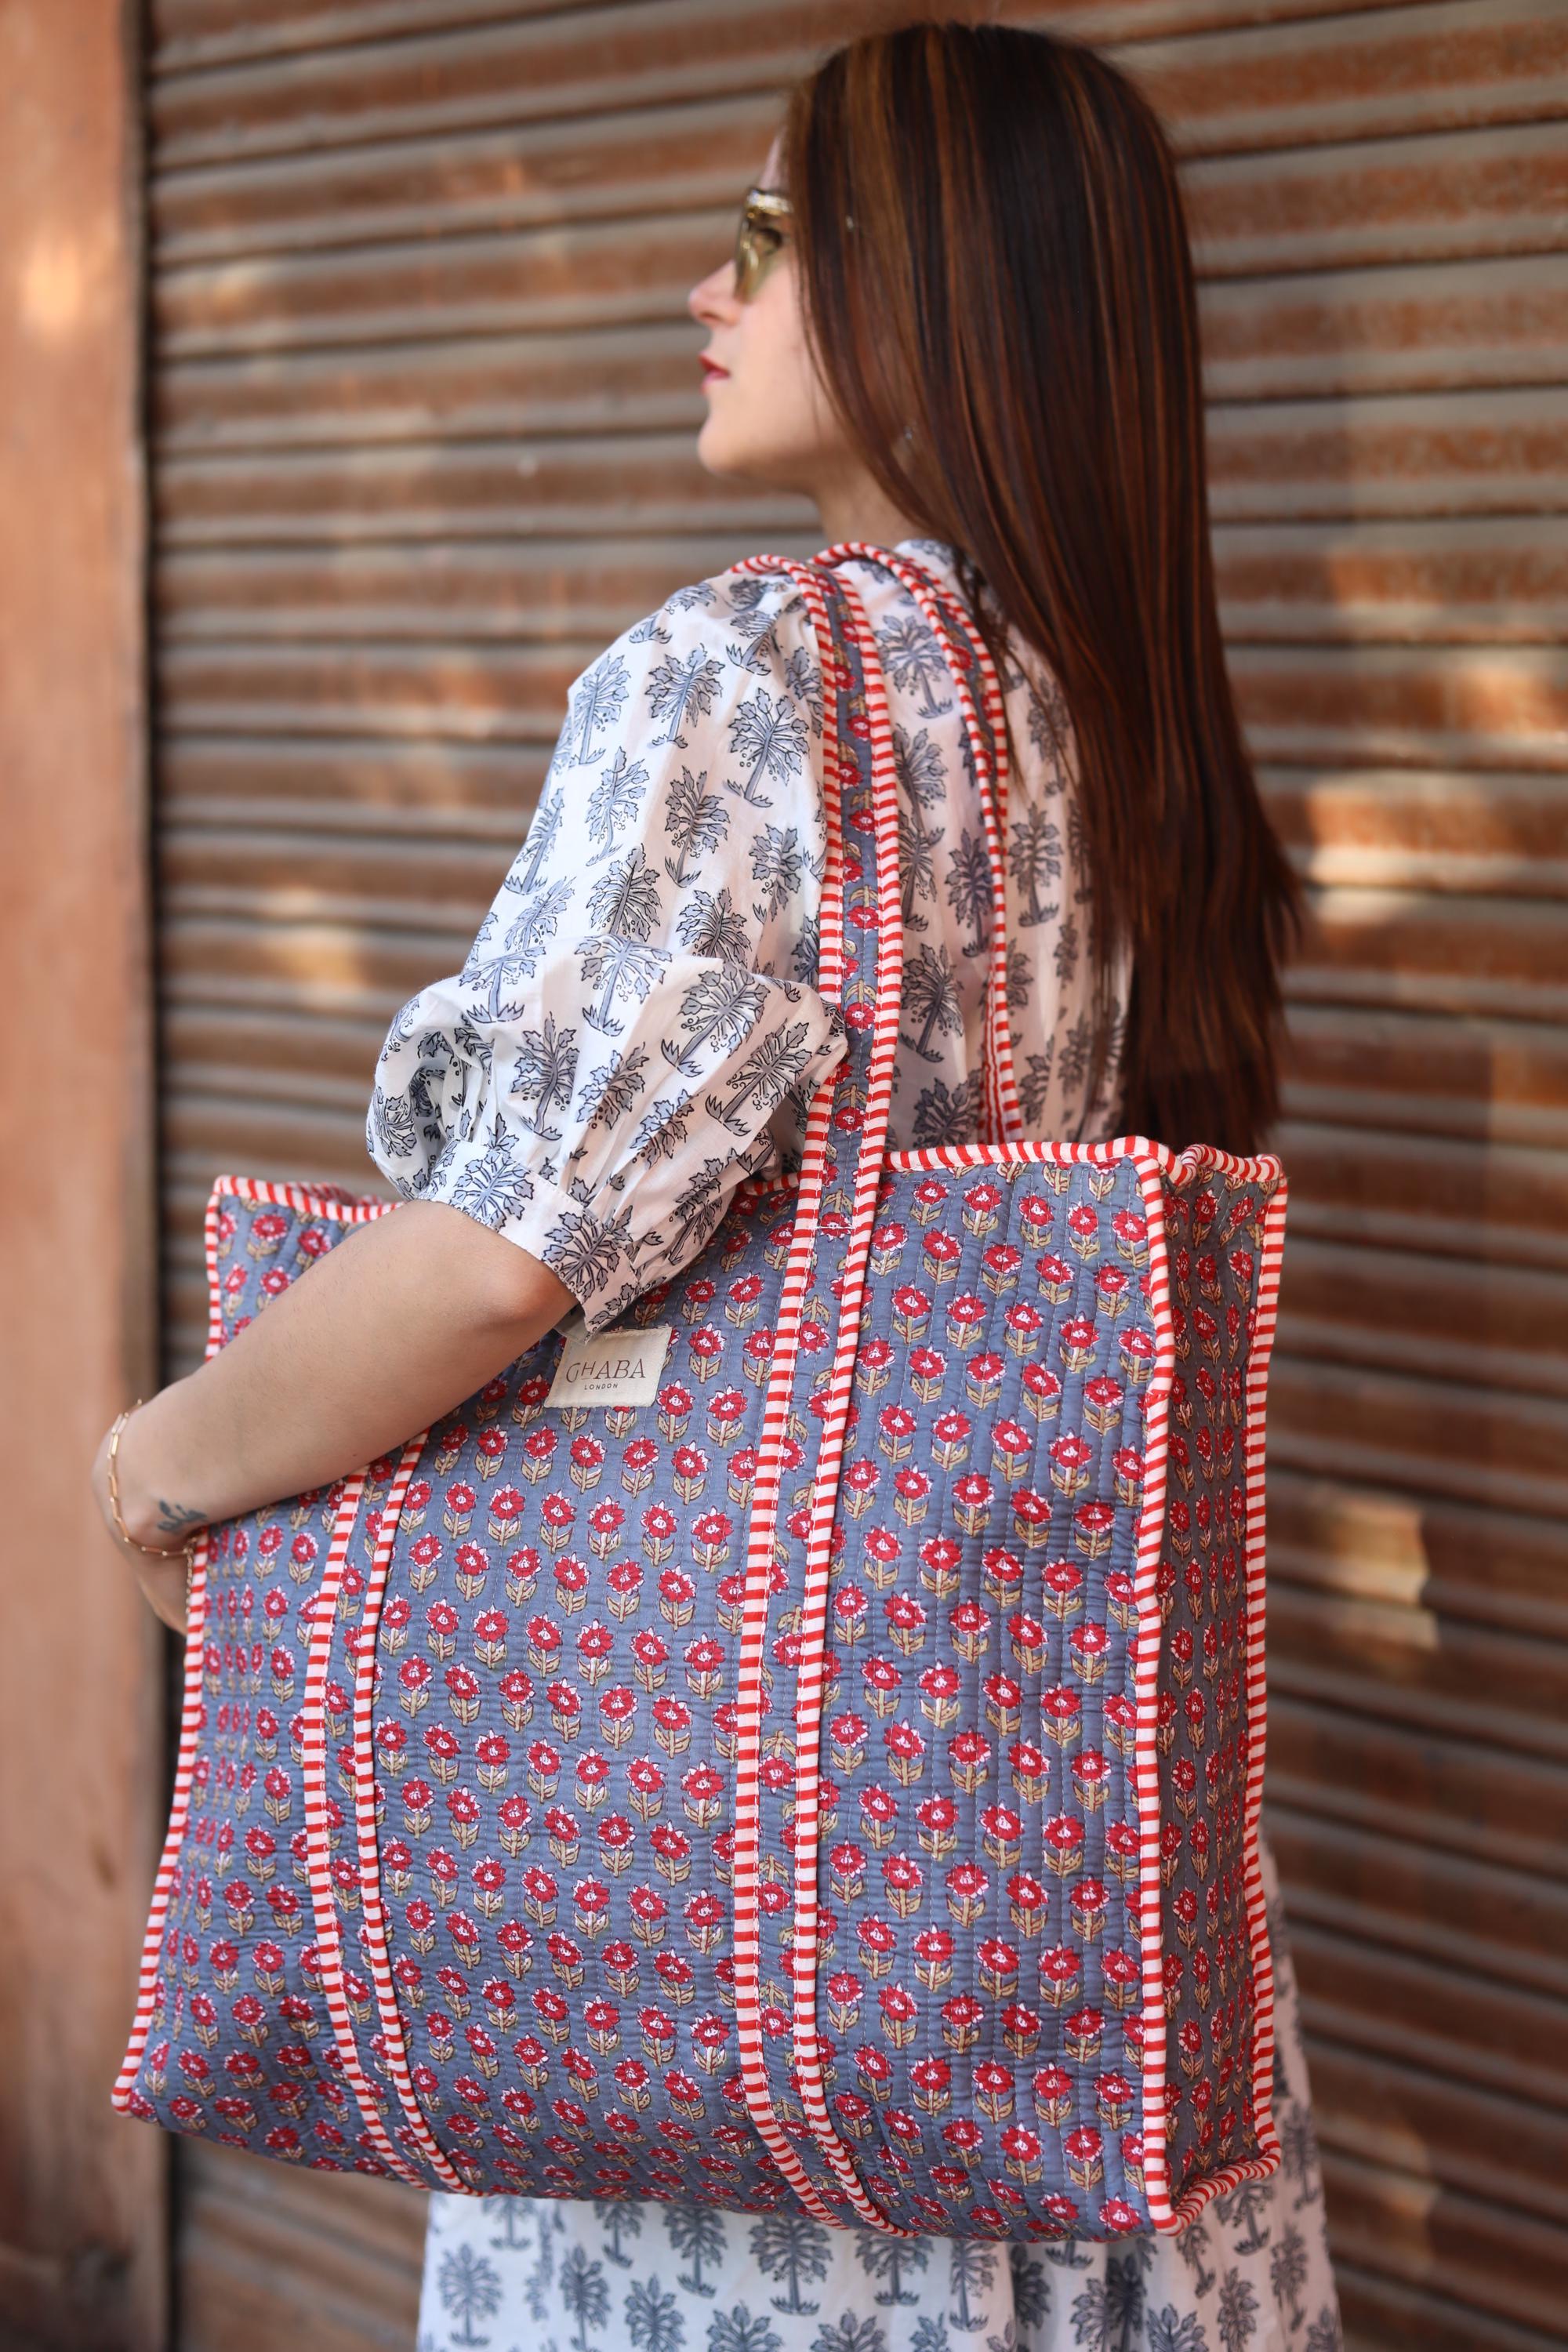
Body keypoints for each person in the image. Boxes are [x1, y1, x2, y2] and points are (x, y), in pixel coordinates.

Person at [92, 17, 1341, 2351]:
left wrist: (159, 1467)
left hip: (747, 2019)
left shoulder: (753, 668)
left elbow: (494, 1265)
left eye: (773, 230)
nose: (711, 280)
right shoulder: (1097, 694)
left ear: (933, 281)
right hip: (1050, 1930)